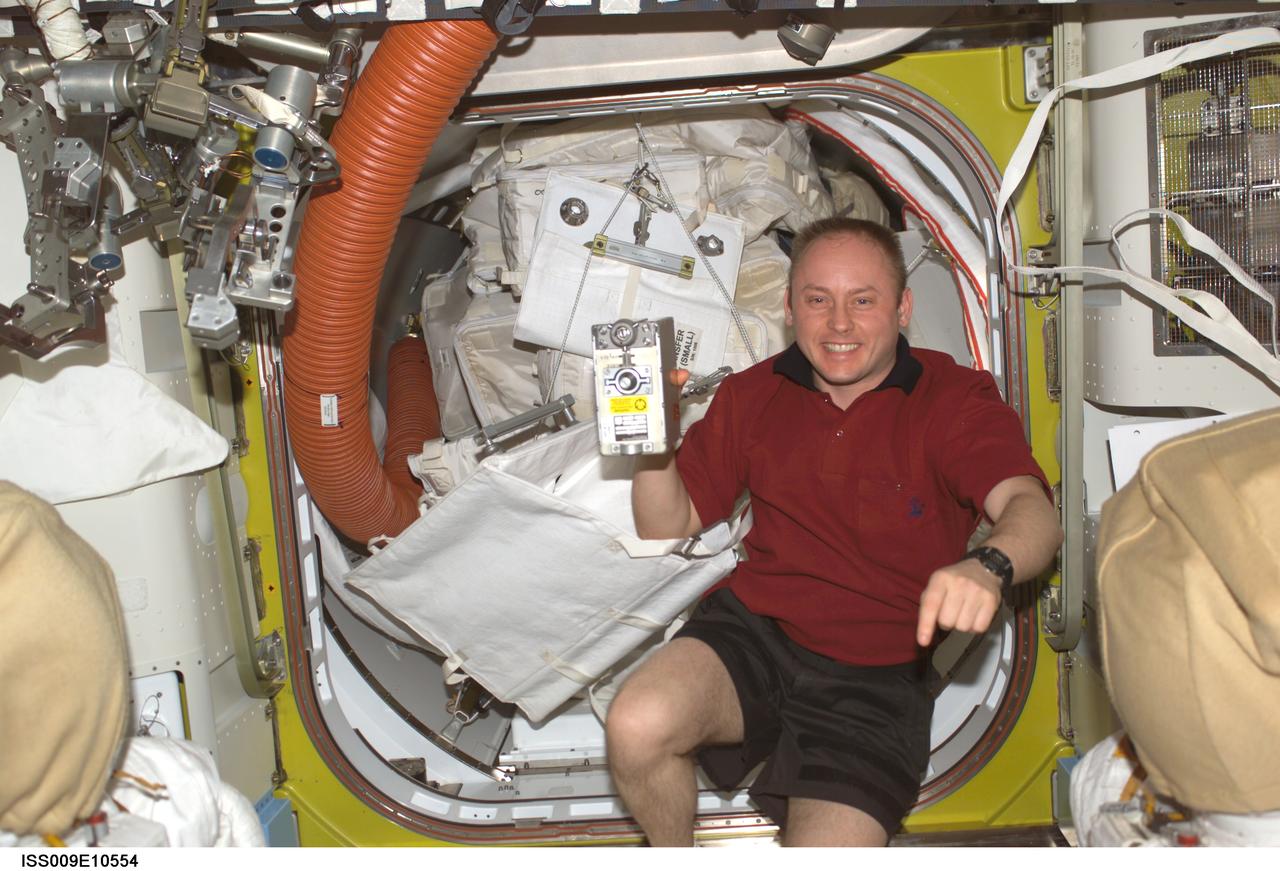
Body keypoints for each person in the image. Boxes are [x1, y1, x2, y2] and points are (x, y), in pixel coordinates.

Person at [605, 217, 1063, 847]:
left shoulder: (954, 399)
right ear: (791, 310)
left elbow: (1032, 510)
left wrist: (990, 564)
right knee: (636, 723)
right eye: (818, 300)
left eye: (863, 300)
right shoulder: (751, 395)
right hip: (756, 635)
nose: (839, 324)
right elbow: (667, 523)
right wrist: (653, 442)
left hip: (876, 679)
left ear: (902, 308)